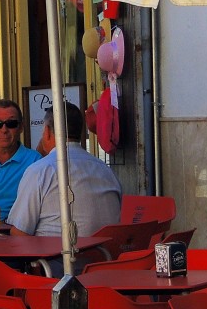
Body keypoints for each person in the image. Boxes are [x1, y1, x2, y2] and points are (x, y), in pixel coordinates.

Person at [7, 102, 122, 239]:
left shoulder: (40, 170)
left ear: (48, 132)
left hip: (58, 257)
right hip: (105, 256)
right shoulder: (105, 170)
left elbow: (20, 233)